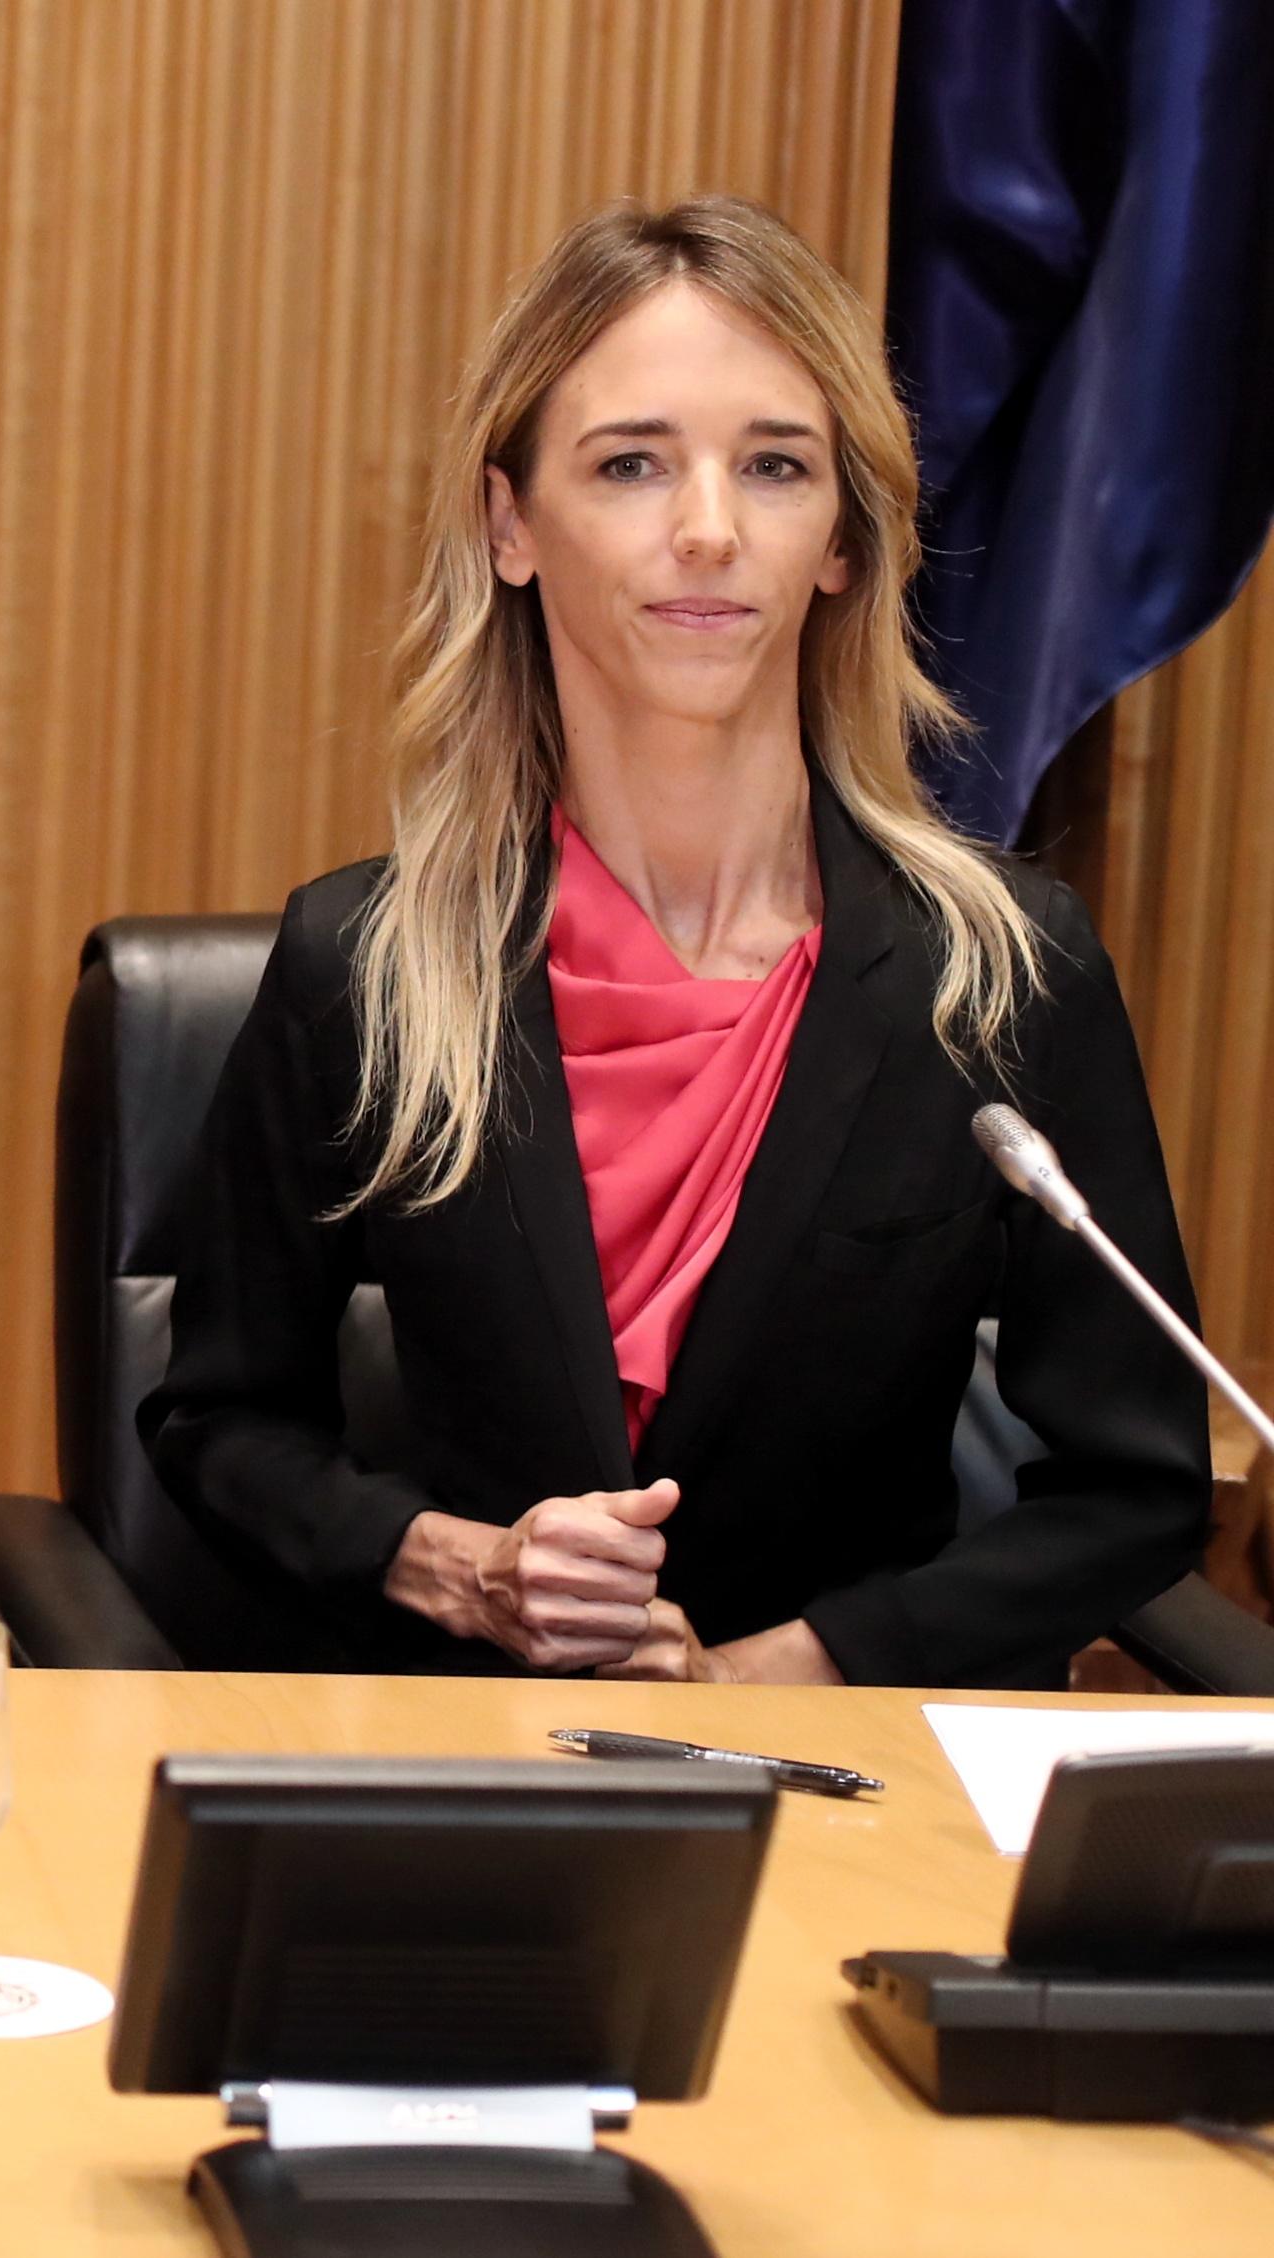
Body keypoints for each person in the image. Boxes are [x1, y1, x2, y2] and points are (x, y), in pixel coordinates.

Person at [141, 197, 1210, 1688]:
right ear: (512, 525)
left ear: (841, 537)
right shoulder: (365, 965)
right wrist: (460, 1565)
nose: (708, 526)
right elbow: (219, 1420)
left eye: (775, 465)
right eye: (632, 463)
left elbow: (1136, 1478)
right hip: (473, 1778)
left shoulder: (1003, 975)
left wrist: (793, 1663)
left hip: (851, 1779)